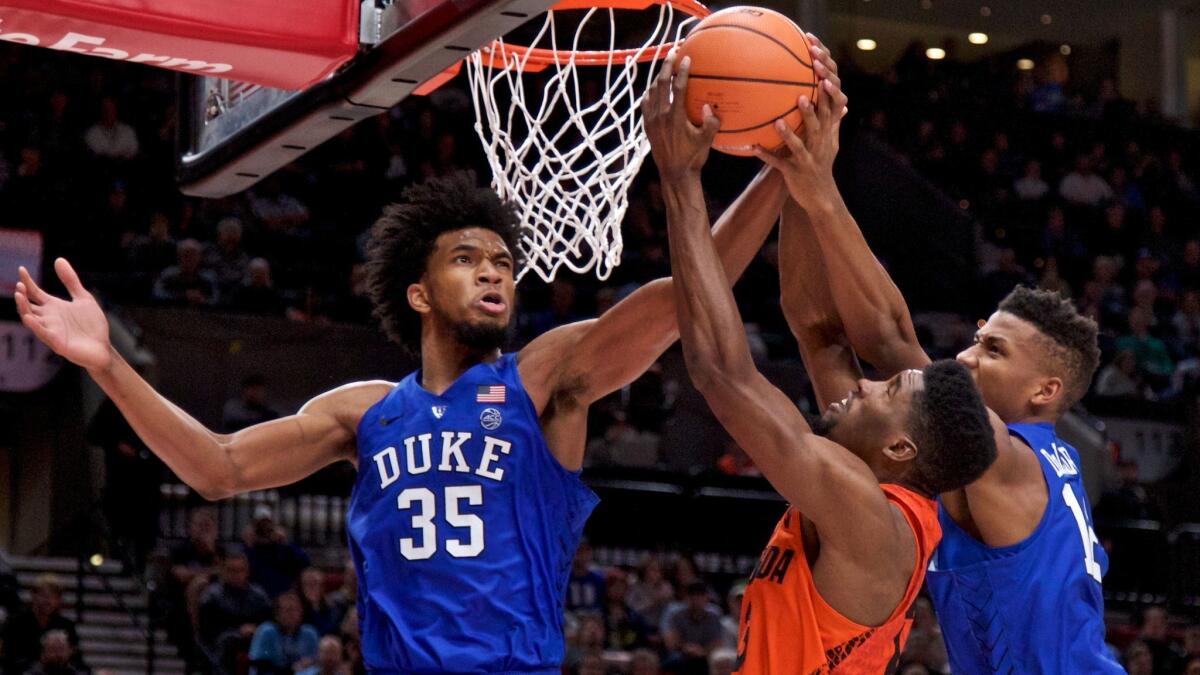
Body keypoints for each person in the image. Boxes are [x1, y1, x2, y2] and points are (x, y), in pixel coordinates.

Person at [14, 106, 788, 670]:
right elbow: (219, 467)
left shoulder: (546, 379)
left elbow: (688, 294)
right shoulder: (366, 411)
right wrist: (107, 363)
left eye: (502, 261)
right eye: (466, 258)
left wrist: (781, 170)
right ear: (417, 292)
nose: (493, 270)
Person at [752, 34, 1124, 674]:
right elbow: (817, 331)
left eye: (995, 351)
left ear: (1044, 391)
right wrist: (790, 176)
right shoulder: (965, 453)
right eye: (979, 338)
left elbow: (891, 339)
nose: (966, 359)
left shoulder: (1012, 457)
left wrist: (818, 185)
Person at [648, 46, 996, 673]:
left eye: (884, 393)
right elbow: (818, 328)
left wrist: (680, 181)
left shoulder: (868, 516)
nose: (862, 387)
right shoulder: (879, 489)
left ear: (900, 449)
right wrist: (801, 171)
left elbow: (721, 374)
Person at [2, 575, 81, 675]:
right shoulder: (15, 623)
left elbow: (76, 658)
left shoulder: (66, 625)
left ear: (59, 601)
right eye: (44, 596)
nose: (48, 601)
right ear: (33, 596)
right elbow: (10, 657)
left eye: (53, 597)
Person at [248, 592, 321, 675]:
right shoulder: (267, 631)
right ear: (277, 614)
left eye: (296, 610)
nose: (292, 614)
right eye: (287, 610)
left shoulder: (309, 633)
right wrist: (291, 669)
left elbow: (318, 661)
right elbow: (260, 666)